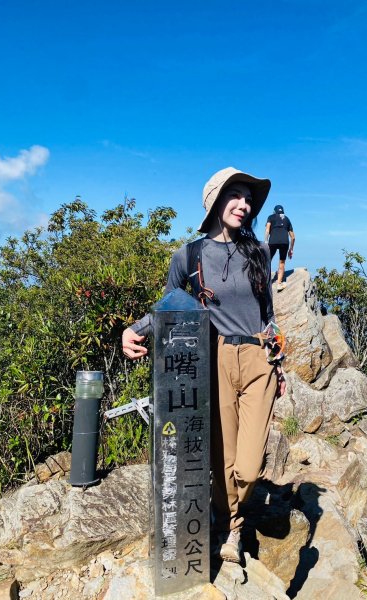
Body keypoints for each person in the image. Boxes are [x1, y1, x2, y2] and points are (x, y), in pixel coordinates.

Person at [122, 167, 286, 564]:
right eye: (236, 195)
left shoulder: (258, 253)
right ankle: (232, 528)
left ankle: (232, 512)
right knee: (222, 458)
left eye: (249, 198)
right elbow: (171, 306)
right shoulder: (190, 255)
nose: (244, 204)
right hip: (213, 358)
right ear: (215, 200)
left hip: (258, 359)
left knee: (248, 467)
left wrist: (278, 356)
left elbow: (269, 314)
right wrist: (135, 328)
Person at [264, 205, 295, 291]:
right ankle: (279, 284)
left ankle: (266, 282)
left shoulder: (270, 217)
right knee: (282, 263)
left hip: (273, 241)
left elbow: (267, 230)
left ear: (274, 211)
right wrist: (291, 249)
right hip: (284, 242)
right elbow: (293, 237)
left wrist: (266, 242)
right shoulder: (287, 219)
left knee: (267, 261)